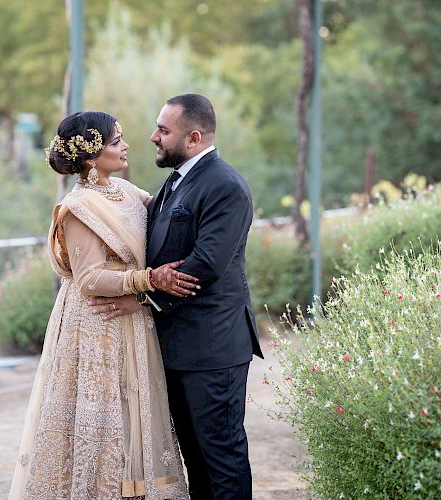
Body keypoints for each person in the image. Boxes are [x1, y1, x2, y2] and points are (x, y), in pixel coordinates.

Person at [8, 111, 197, 500]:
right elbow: (90, 278)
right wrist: (148, 280)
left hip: (133, 317)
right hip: (96, 324)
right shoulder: (79, 206)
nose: (126, 146)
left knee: (135, 416)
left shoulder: (128, 192)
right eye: (115, 142)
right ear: (92, 156)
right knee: (103, 421)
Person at [91, 94, 264, 500]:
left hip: (214, 346)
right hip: (176, 346)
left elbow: (207, 263)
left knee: (222, 454)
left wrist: (144, 298)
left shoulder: (226, 186)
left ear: (194, 137)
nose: (153, 137)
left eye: (164, 131)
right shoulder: (174, 181)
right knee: (195, 456)